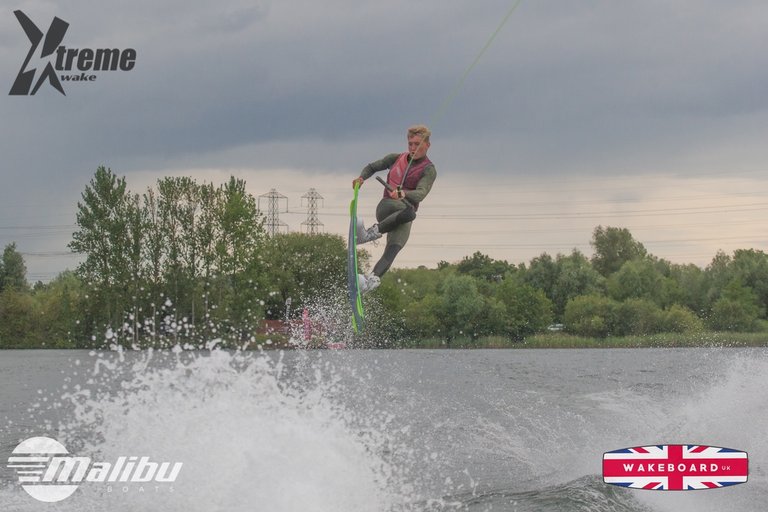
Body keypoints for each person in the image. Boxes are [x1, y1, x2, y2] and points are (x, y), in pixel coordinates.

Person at [351, 124, 437, 294]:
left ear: (427, 145)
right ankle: (368, 234)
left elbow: (420, 194)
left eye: (417, 144)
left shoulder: (429, 170)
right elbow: (372, 167)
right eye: (410, 144)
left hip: (406, 215)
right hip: (386, 208)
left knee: (394, 248)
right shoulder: (396, 158)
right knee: (409, 213)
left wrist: (403, 193)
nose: (413, 148)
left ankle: (370, 281)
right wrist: (361, 178)